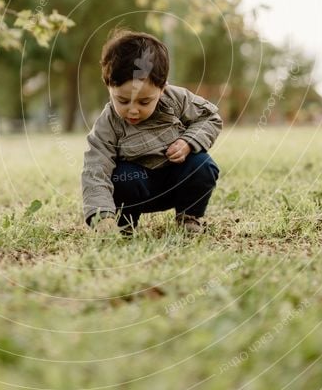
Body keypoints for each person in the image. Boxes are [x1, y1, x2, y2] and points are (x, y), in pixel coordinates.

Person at [81, 28, 222, 236]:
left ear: (162, 88)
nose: (133, 109)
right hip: (136, 188)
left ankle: (189, 216)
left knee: (202, 164)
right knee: (122, 177)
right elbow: (95, 169)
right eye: (122, 100)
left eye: (144, 101)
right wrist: (101, 215)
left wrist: (188, 142)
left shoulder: (176, 99)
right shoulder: (108, 123)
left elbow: (210, 118)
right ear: (109, 86)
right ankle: (124, 224)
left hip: (175, 181)